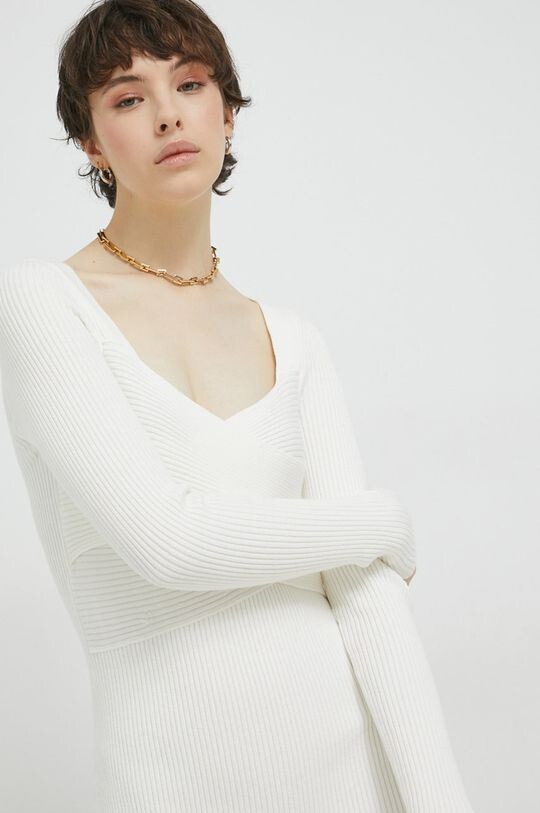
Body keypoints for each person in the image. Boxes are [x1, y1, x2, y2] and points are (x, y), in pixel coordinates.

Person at [0, 1, 474, 810]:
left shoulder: (294, 340)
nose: (168, 114)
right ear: (90, 142)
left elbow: (367, 601)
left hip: (349, 773)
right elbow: (168, 542)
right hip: (168, 783)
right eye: (128, 97)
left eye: (190, 83)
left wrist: (441, 799)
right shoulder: (44, 303)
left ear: (228, 112)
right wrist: (381, 519)